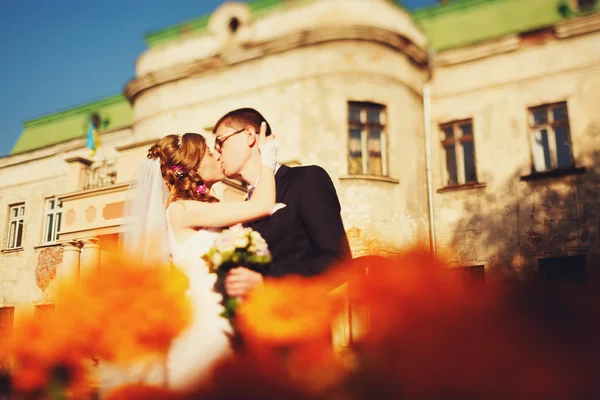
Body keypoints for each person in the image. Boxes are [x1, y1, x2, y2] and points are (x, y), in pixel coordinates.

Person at [110, 124, 280, 392]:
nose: (217, 155)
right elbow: (261, 205)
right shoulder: (181, 209)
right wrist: (268, 156)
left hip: (226, 316)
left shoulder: (206, 207)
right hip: (206, 323)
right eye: (210, 154)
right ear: (195, 167)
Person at [212, 108, 351, 299]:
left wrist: (267, 282)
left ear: (249, 135)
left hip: (298, 323)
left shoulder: (306, 180)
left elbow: (338, 261)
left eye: (219, 141)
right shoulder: (243, 208)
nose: (217, 153)